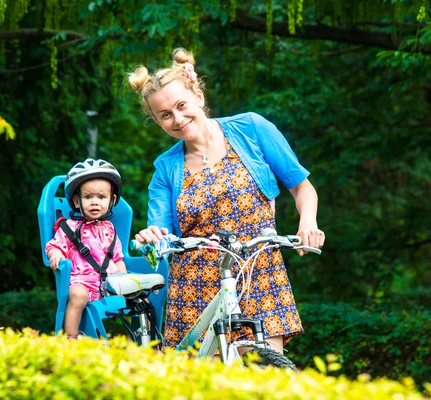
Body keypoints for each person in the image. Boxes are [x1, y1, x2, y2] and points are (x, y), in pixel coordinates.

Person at [127, 48, 325, 353]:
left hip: (259, 271)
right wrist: (152, 236)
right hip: (193, 288)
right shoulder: (165, 169)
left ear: (199, 98)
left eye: (182, 106)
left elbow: (302, 188)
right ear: (157, 122)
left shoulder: (252, 129)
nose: (178, 119)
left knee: (264, 374)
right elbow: (160, 233)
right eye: (165, 115)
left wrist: (307, 222)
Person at [45, 158, 127, 340]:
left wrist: (124, 278)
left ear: (112, 200)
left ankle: (147, 339)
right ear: (76, 201)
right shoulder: (70, 227)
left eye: (101, 197)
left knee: (139, 298)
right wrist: (56, 255)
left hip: (108, 283)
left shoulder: (110, 229)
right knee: (77, 295)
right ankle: (71, 338)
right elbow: (54, 245)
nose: (95, 202)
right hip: (81, 281)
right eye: (88, 197)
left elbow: (117, 258)